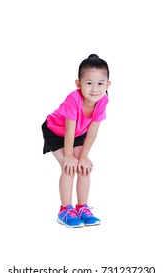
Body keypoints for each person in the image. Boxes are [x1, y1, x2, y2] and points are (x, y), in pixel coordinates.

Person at [42, 54, 111, 228]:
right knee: (69, 167)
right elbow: (68, 130)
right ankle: (65, 210)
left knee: (84, 167)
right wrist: (68, 156)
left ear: (107, 85)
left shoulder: (103, 100)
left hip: (78, 132)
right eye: (89, 83)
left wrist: (84, 156)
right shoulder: (74, 99)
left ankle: (82, 207)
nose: (95, 89)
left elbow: (93, 131)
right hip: (56, 132)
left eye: (100, 84)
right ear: (78, 84)